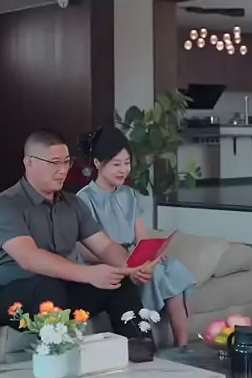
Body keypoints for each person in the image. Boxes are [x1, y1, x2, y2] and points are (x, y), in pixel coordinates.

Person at [0, 129, 152, 335]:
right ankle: (61, 353)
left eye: (66, 162)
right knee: (47, 286)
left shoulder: (73, 204)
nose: (62, 170)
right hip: (5, 295)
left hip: (58, 287)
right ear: (29, 163)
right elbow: (30, 258)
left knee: (118, 282)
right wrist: (89, 273)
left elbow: (104, 247)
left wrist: (131, 267)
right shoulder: (7, 204)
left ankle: (141, 347)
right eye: (54, 163)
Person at [77, 127, 196, 349]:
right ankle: (156, 339)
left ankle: (182, 345)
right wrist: (128, 262)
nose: (123, 170)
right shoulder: (83, 199)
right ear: (97, 163)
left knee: (171, 267)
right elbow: (84, 249)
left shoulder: (129, 194)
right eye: (116, 164)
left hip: (134, 257)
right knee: (156, 274)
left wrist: (152, 254)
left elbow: (142, 237)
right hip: (105, 262)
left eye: (127, 163)